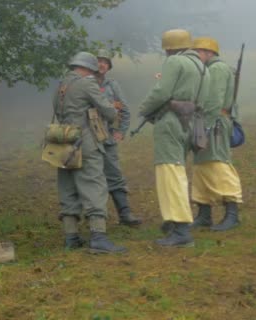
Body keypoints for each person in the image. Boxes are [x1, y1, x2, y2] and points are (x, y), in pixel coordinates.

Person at [138, 29, 210, 247]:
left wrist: (143, 109)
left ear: (169, 48)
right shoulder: (202, 67)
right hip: (190, 122)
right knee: (177, 170)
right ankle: (173, 223)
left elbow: (162, 92)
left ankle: (180, 229)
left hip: (170, 121)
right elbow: (203, 100)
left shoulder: (174, 62)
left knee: (169, 172)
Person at [53, 51, 126, 253]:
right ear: (88, 68)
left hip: (63, 140)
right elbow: (109, 112)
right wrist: (112, 108)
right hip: (85, 142)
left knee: (67, 187)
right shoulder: (87, 83)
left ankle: (71, 237)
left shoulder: (62, 84)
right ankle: (98, 237)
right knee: (94, 185)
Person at [191, 37, 243, 231]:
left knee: (219, 164)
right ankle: (204, 214)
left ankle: (232, 213)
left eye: (199, 52)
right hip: (203, 122)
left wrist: (206, 126)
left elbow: (214, 100)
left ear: (209, 52)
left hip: (215, 123)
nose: (196, 56)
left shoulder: (218, 69)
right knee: (201, 166)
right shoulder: (206, 70)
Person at [95, 49, 142, 226]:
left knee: (114, 174)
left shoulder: (112, 85)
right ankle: (93, 217)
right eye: (99, 61)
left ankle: (125, 214)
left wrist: (120, 131)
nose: (101, 64)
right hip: (86, 138)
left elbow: (125, 110)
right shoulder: (83, 82)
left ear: (108, 67)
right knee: (87, 177)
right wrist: (108, 105)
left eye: (105, 62)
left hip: (107, 138)